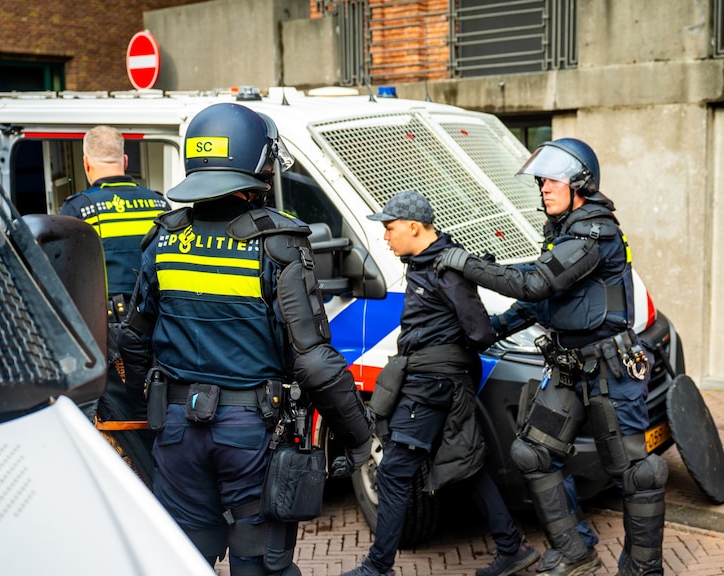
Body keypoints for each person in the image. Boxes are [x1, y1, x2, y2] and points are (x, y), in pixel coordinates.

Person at [117, 103, 373, 576]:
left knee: (183, 558)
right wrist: (359, 435)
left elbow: (133, 339)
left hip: (176, 432)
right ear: (257, 162)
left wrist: (150, 403)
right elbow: (314, 361)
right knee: (259, 562)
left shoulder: (164, 237)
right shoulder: (278, 243)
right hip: (251, 431)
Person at [435, 138, 667, 576]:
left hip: (608, 369)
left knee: (637, 472)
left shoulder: (596, 231)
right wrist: (490, 332)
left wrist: (466, 263)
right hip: (567, 367)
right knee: (533, 453)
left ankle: (643, 568)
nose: (544, 187)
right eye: (541, 180)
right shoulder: (562, 233)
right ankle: (576, 551)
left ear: (580, 183)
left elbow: (536, 284)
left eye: (553, 179)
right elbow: (542, 303)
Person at [343, 189, 539, 576]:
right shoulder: (425, 263)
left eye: (390, 228)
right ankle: (511, 547)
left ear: (414, 227)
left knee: (396, 472)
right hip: (434, 383)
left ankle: (377, 567)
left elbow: (480, 331)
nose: (385, 236)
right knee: (460, 465)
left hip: (431, 387)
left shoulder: (445, 270)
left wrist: (446, 352)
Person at [59, 125, 168, 418]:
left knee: (116, 423)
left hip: (107, 339)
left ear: (85, 163)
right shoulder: (159, 205)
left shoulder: (77, 209)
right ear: (125, 161)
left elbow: (62, 280)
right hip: (160, 330)